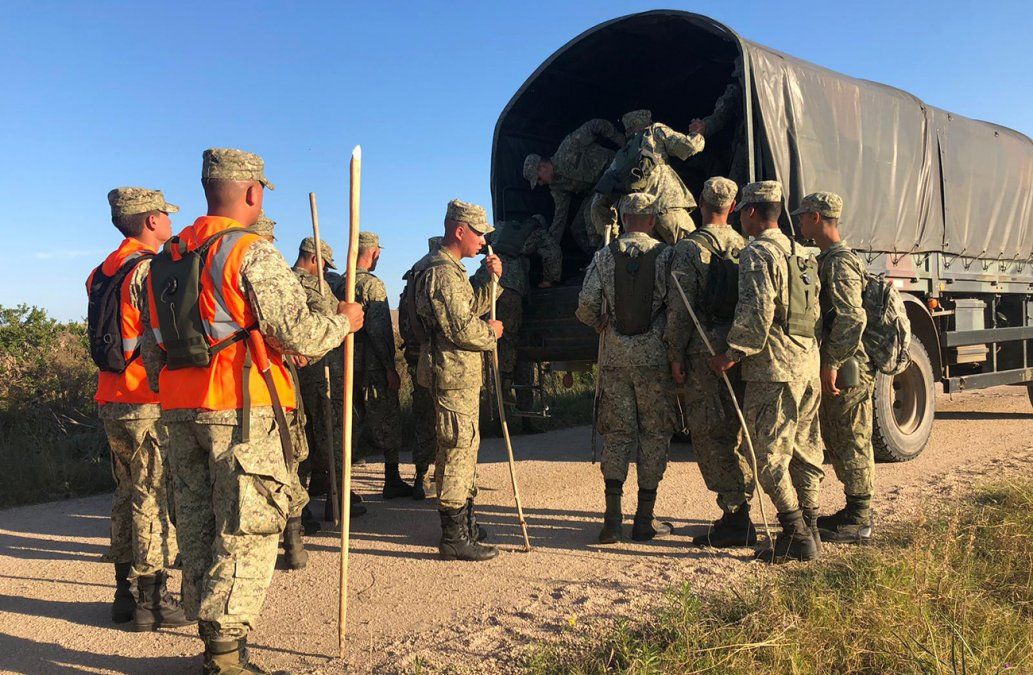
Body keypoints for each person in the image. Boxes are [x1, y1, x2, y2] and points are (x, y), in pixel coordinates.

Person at [140, 148, 364, 672]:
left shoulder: (166, 260)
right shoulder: (251, 252)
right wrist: (345, 322)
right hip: (243, 410)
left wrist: (175, 394)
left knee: (199, 528)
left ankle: (219, 647)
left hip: (179, 410)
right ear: (252, 192)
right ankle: (226, 661)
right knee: (247, 531)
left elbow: (152, 348)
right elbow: (298, 331)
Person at [88, 187, 189, 630]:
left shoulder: (101, 272)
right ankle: (154, 598)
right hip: (144, 397)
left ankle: (122, 594)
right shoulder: (147, 271)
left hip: (109, 395)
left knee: (125, 493)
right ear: (150, 221)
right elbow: (160, 335)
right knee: (153, 495)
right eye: (165, 216)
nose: (169, 223)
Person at [708, 181, 824, 563]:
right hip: (807, 362)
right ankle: (810, 527)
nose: (740, 217)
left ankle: (795, 534)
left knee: (768, 454)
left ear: (753, 213)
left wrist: (731, 354)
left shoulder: (758, 254)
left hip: (774, 368)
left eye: (743, 210)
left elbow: (757, 314)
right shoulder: (802, 253)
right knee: (806, 450)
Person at [576, 192, 678, 544]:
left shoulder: (604, 257)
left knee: (618, 436)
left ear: (623, 218)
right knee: (653, 435)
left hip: (615, 360)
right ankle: (644, 520)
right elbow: (678, 308)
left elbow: (586, 306)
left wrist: (603, 325)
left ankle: (611, 521)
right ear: (651, 220)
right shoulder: (665, 256)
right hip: (653, 360)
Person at [666, 177, 757, 547]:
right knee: (736, 428)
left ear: (700, 203)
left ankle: (736, 515)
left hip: (704, 351)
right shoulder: (747, 246)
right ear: (733, 207)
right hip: (739, 350)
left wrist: (674, 354)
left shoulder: (688, 250)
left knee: (707, 431)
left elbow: (679, 311)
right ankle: (743, 503)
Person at [413, 199, 503, 561]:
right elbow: (461, 327)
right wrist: (492, 333)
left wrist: (489, 279)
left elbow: (468, 309)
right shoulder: (441, 272)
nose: (483, 239)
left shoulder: (454, 271)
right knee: (455, 451)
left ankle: (465, 523)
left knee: (465, 448)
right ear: (459, 230)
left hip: (459, 375)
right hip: (450, 374)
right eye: (478, 232)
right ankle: (453, 536)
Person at [793, 192, 875, 545]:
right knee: (839, 436)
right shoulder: (827, 258)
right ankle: (853, 510)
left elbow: (852, 318)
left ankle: (860, 517)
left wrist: (832, 362)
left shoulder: (839, 262)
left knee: (852, 437)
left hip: (848, 365)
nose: (798, 222)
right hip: (841, 362)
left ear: (815, 217)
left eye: (802, 216)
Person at [292, 236, 367, 524]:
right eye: (323, 264)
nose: (323, 269)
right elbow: (335, 320)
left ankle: (300, 508)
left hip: (296, 375)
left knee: (301, 437)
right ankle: (336, 500)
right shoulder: (314, 286)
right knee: (332, 434)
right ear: (314, 259)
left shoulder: (283, 280)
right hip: (321, 371)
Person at [473, 214, 561, 419]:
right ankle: (505, 385)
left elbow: (482, 244)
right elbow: (553, 253)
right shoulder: (537, 233)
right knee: (510, 338)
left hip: (482, 279)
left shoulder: (501, 226)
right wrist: (549, 279)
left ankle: (492, 400)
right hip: (509, 286)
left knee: (484, 338)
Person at [350, 231, 414, 498]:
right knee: (388, 420)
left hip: (347, 366)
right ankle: (392, 479)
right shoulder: (371, 285)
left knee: (352, 422)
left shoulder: (339, 282)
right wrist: (390, 367)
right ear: (373, 252)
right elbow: (379, 331)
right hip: (372, 367)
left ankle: (338, 483)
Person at [590, 110, 705, 247]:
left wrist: (615, 237)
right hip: (667, 208)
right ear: (647, 122)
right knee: (691, 253)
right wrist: (698, 134)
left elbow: (597, 204)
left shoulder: (621, 158)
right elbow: (688, 147)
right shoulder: (654, 131)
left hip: (638, 223)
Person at [524, 118, 625, 253]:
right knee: (577, 229)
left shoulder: (569, 146)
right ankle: (593, 260)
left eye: (539, 179)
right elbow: (560, 219)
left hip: (613, 170)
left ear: (542, 167)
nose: (540, 183)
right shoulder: (556, 188)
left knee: (591, 218)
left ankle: (608, 255)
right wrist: (550, 248)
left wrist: (624, 143)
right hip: (597, 190)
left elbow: (596, 125)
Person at [398, 237, 444, 500]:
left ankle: (421, 476)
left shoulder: (412, 279)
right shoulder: (436, 277)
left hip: (415, 358)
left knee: (423, 417)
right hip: (437, 358)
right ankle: (442, 478)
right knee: (443, 420)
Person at [689, 59, 747, 185]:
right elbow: (721, 114)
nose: (743, 81)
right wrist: (705, 127)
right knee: (735, 185)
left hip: (773, 143)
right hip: (745, 143)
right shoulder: (736, 91)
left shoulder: (776, 87)